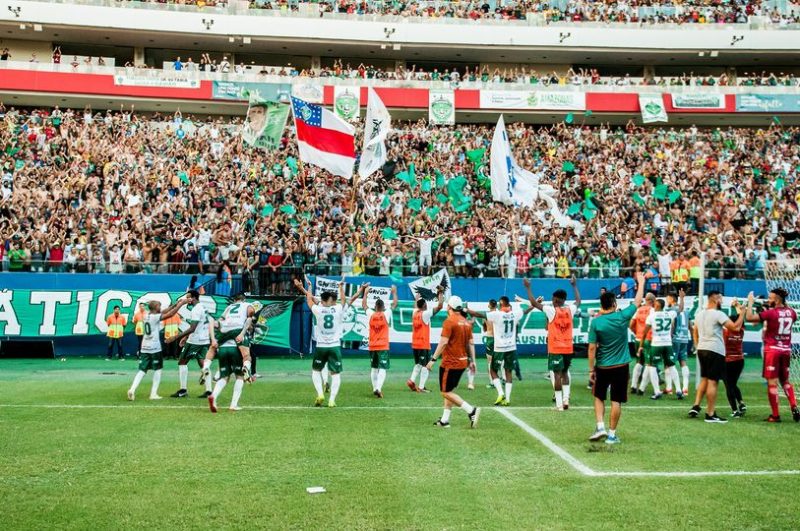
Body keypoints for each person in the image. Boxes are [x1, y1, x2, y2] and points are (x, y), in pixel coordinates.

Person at [587, 271, 645, 445]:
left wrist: (591, 368)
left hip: (603, 366)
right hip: (621, 366)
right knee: (616, 400)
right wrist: (641, 283)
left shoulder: (596, 322)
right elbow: (637, 301)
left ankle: (600, 427)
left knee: (598, 396)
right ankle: (612, 435)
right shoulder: (621, 317)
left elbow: (591, 347)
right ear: (613, 303)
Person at [294, 278, 361, 408]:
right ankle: (332, 400)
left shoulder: (318, 309)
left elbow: (309, 299)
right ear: (330, 300)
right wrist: (341, 287)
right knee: (336, 374)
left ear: (322, 301)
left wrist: (308, 287)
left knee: (315, 371)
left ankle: (320, 394)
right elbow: (345, 300)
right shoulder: (337, 309)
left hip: (321, 347)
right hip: (334, 346)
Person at [689, 290, 752, 423]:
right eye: (721, 299)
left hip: (702, 349)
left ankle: (696, 405)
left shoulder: (699, 314)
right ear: (715, 299)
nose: (722, 301)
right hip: (714, 350)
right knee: (713, 382)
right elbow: (735, 327)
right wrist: (743, 313)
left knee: (704, 378)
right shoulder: (718, 314)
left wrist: (697, 345)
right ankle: (710, 414)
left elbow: (694, 332)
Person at [523, 275, 581, 411]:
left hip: (556, 348)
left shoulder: (551, 310)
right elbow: (578, 301)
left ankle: (559, 405)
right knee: (565, 373)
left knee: (557, 375)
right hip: (568, 347)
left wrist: (528, 287)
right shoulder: (570, 309)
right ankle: (566, 399)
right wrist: (574, 286)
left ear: (555, 299)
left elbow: (534, 303)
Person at [745, 287, 799, 422]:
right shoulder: (792, 312)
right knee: (785, 381)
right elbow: (787, 313)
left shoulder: (771, 313)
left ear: (777, 299)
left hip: (772, 351)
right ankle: (794, 406)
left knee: (772, 383)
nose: (768, 300)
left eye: (770, 298)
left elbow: (750, 318)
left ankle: (775, 415)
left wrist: (750, 302)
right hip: (786, 350)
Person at [426, 296, 480, 429]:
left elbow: (443, 342)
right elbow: (470, 344)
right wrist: (473, 361)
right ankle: (445, 420)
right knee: (449, 391)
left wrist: (433, 359)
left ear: (449, 307)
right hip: (462, 362)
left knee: (445, 392)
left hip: (450, 362)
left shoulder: (449, 321)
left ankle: (471, 410)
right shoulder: (466, 322)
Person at [127, 297, 189, 401]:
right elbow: (169, 314)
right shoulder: (155, 317)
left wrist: (175, 304)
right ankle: (153, 393)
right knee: (158, 369)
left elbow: (164, 311)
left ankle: (132, 389)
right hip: (154, 348)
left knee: (142, 370)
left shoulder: (146, 315)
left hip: (144, 347)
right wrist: (181, 304)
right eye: (159, 306)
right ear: (155, 308)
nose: (160, 308)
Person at [165, 290, 215, 399]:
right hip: (204, 339)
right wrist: (185, 337)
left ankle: (183, 390)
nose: (187, 300)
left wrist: (175, 337)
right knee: (203, 364)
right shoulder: (203, 307)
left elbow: (193, 328)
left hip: (195, 341)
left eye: (188, 297)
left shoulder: (196, 309)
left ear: (193, 298)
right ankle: (209, 391)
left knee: (182, 362)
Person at [483, 293, 524, 405]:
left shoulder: (495, 314)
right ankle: (508, 398)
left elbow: (483, 324)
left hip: (496, 343)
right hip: (511, 346)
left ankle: (500, 392)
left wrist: (466, 310)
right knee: (507, 370)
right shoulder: (513, 314)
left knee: (492, 367)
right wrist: (534, 303)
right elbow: (524, 312)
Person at [362, 283, 399, 398]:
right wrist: (394, 292)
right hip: (383, 346)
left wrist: (366, 293)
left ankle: (375, 388)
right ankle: (378, 388)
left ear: (375, 307)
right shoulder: (386, 313)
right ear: (383, 307)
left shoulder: (371, 314)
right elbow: (395, 304)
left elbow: (364, 305)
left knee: (374, 367)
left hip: (372, 345)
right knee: (382, 368)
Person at [407, 285, 445, 393]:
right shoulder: (425, 314)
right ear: (424, 305)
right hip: (423, 344)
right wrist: (440, 293)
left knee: (418, 364)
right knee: (426, 365)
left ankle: (411, 380)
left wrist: (416, 299)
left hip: (415, 344)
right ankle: (422, 387)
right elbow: (440, 306)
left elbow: (416, 306)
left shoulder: (414, 312)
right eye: (426, 304)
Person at [638, 299, 677, 400]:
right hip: (668, 343)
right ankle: (679, 390)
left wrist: (640, 346)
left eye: (655, 304)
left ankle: (656, 391)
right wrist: (681, 299)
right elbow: (679, 309)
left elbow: (644, 333)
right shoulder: (670, 314)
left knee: (651, 366)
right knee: (671, 365)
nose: (653, 306)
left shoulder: (652, 316)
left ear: (657, 306)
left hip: (656, 343)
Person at [724, 300, 746, 418]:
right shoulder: (741, 331)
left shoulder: (726, 333)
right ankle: (741, 403)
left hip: (728, 361)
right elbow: (740, 320)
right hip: (740, 360)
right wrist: (738, 307)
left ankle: (734, 410)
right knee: (733, 383)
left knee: (729, 386)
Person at [665, 290, 691, 395]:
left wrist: (670, 336)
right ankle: (685, 388)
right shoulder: (686, 311)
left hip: (675, 339)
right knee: (683, 362)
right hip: (684, 338)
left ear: (671, 299)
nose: (666, 300)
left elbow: (672, 324)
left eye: (667, 298)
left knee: (669, 363)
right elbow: (690, 326)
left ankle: (669, 388)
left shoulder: (671, 310)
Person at [629, 293, 655, 395]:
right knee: (649, 364)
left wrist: (636, 332)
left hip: (638, 338)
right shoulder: (652, 311)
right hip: (648, 339)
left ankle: (633, 385)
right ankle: (642, 388)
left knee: (639, 362)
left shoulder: (638, 310)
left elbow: (631, 324)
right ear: (653, 301)